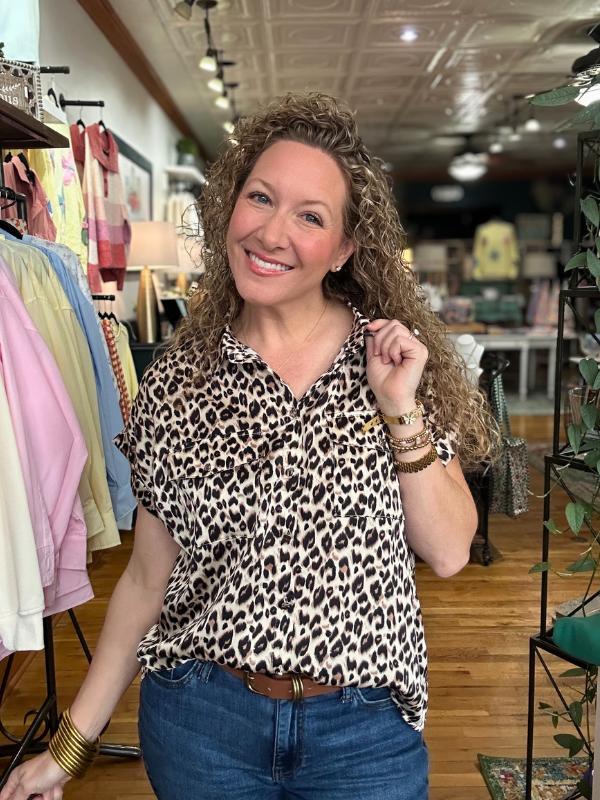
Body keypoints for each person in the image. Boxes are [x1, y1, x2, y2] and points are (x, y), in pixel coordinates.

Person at [0, 93, 495, 800]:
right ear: (230, 207)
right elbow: (145, 580)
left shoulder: (389, 362)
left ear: (346, 248)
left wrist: (400, 410)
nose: (271, 232)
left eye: (311, 216)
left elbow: (449, 551)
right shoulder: (178, 381)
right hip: (204, 725)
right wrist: (68, 748)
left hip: (363, 734)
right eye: (260, 198)